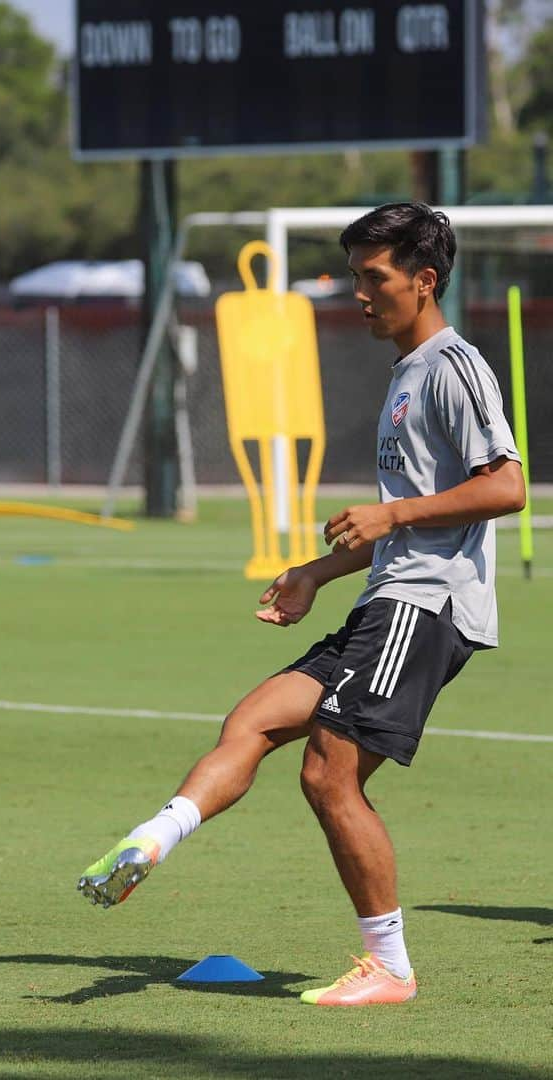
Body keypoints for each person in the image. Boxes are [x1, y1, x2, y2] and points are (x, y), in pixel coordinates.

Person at [76, 203, 526, 1006]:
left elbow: (507, 485)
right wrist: (318, 571)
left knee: (329, 773)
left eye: (373, 277)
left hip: (428, 608)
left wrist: (390, 516)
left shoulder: (455, 365)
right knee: (252, 719)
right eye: (354, 276)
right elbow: (402, 518)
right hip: (387, 598)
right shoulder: (406, 372)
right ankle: (153, 838)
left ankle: (389, 967)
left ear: (424, 282)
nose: (358, 293)